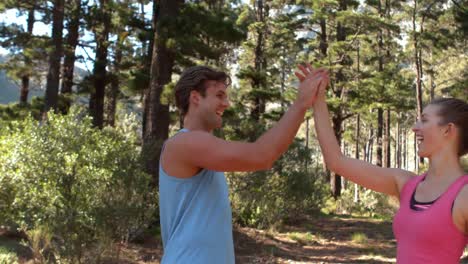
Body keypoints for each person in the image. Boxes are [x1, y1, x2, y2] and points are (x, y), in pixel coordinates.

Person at [300, 64, 468, 263]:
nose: (415, 128)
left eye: (424, 120)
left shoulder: (464, 194)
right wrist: (318, 99)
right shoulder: (406, 184)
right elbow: (336, 161)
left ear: (447, 130)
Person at [158, 65, 327, 263]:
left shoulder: (199, 147)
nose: (226, 103)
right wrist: (301, 103)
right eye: (219, 95)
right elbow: (262, 155)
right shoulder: (185, 143)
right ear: (195, 98)